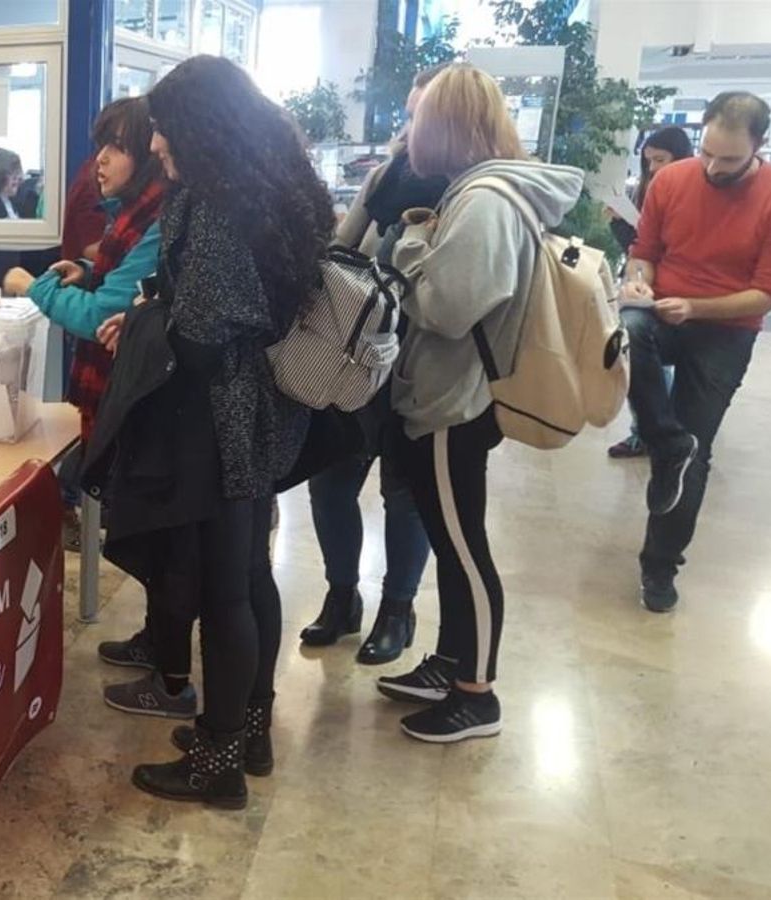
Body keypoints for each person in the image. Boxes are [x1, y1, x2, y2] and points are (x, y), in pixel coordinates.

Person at [85, 55, 331, 808]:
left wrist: (153, 318)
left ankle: (218, 765)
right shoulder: (274, 190)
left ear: (200, 128)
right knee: (251, 577)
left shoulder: (219, 209)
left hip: (227, 419)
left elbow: (198, 340)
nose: (156, 145)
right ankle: (247, 729)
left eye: (162, 132)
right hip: (268, 412)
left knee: (226, 592)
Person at [372, 64, 584, 743]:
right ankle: (449, 664)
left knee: (464, 551)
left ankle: (477, 694)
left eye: (417, 122)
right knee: (450, 538)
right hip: (446, 396)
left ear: (448, 128)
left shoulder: (486, 199)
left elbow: (447, 307)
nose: (407, 135)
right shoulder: (478, 191)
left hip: (450, 403)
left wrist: (411, 239)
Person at [2, 98, 187, 718]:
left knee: (153, 537)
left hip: (139, 398)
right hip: (123, 392)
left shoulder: (158, 218)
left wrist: (40, 289)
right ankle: (157, 643)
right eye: (99, 145)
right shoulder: (129, 213)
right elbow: (113, 284)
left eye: (118, 147)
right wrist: (83, 266)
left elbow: (103, 315)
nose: (99, 160)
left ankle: (170, 668)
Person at [619, 91, 771, 613]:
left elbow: (768, 293)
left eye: (730, 159)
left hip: (727, 327)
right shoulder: (671, 180)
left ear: (759, 147)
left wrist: (694, 308)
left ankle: (660, 565)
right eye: (708, 153)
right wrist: (638, 285)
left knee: (698, 447)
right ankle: (664, 443)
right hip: (663, 309)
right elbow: (643, 255)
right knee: (628, 327)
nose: (714, 168)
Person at [299, 65, 445, 666]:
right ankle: (342, 596)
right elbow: (341, 245)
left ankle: (397, 609)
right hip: (359, 355)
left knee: (405, 495)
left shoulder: (471, 190)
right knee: (330, 481)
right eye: (408, 115)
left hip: (425, 362)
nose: (411, 129)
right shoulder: (388, 174)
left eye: (424, 117)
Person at [607, 126, 693, 458]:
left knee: (661, 364)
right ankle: (646, 430)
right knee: (641, 355)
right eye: (648, 160)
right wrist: (620, 224)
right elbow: (637, 249)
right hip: (643, 282)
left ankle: (659, 431)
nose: (654, 167)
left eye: (661, 159)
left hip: (679, 292)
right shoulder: (647, 189)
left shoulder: (691, 192)